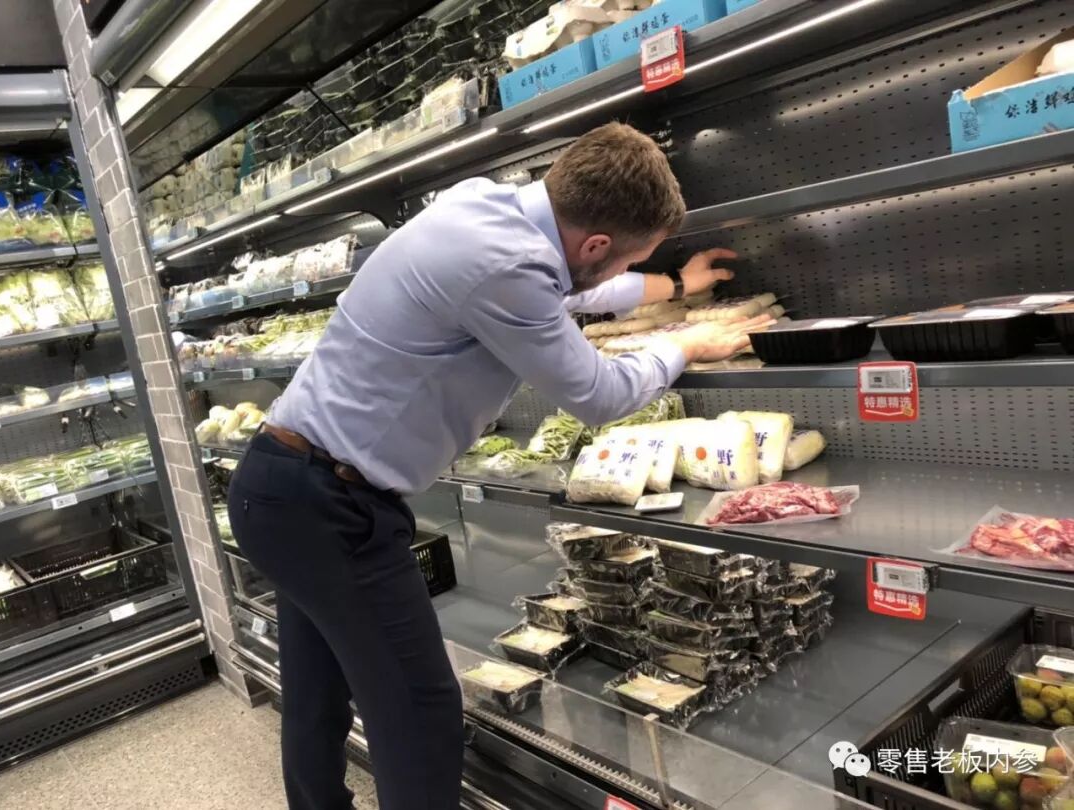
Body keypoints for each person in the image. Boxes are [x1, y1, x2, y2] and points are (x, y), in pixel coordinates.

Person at [227, 122, 769, 810]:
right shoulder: (508, 265)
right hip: (331, 509)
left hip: (278, 487)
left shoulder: (484, 204)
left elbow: (570, 291)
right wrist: (684, 345)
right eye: (625, 260)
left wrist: (669, 284)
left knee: (317, 691)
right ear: (595, 245)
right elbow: (600, 395)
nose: (618, 271)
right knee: (419, 709)